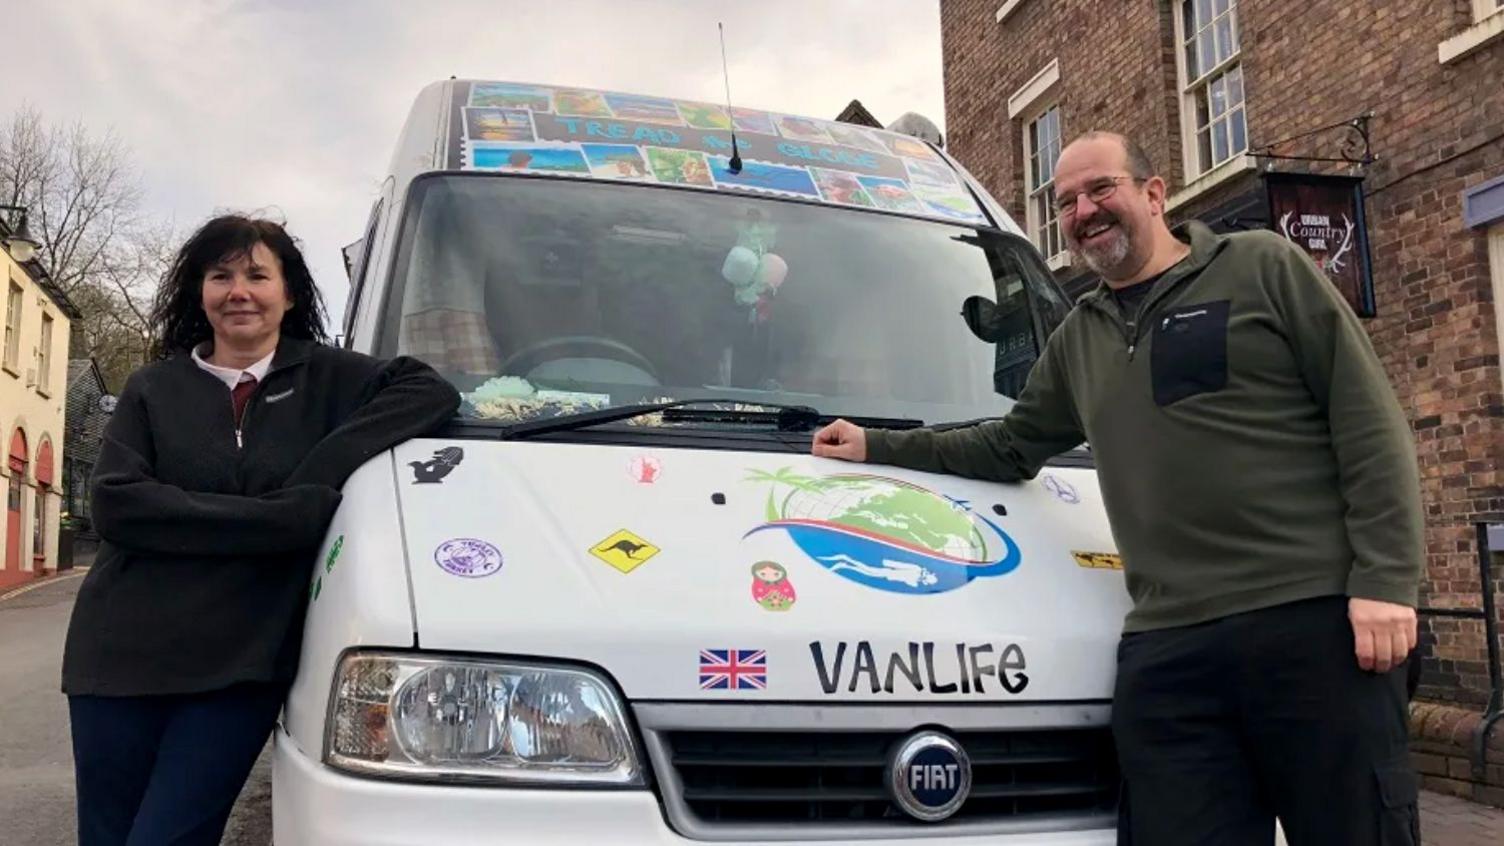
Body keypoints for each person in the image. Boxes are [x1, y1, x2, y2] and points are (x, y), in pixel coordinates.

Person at [811, 132, 1424, 846]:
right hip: (1169, 650)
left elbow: (1369, 421)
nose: (1084, 211)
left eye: (1101, 188)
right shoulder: (1079, 335)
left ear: (1155, 193)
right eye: (1066, 201)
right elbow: (1009, 445)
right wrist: (876, 444)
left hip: (1310, 623)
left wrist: (1385, 580)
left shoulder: (1263, 267)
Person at [61, 214, 460, 845]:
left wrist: (319, 469)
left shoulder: (332, 377)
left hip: (238, 668)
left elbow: (431, 391)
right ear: (200, 293)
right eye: (220, 276)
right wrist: (285, 517)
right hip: (118, 659)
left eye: (256, 274)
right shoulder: (154, 387)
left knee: (167, 838)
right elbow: (116, 505)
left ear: (290, 292)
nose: (238, 290)